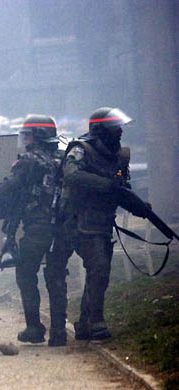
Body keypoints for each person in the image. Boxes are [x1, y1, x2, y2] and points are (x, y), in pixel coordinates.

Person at [61, 107, 149, 341]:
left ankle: (84, 324)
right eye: (114, 128)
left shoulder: (118, 157)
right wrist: (104, 184)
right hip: (80, 220)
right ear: (100, 130)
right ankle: (97, 321)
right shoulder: (81, 150)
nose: (119, 132)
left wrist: (140, 208)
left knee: (98, 271)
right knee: (99, 267)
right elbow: (71, 175)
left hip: (101, 222)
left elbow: (121, 191)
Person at [0, 114, 71, 347]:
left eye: (26, 135)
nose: (24, 140)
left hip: (37, 228)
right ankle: (59, 332)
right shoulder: (64, 159)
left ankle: (34, 328)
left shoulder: (28, 161)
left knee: (26, 274)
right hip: (64, 227)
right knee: (56, 276)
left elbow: (7, 188)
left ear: (36, 137)